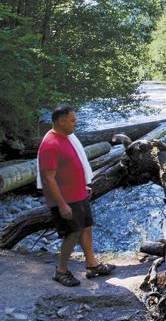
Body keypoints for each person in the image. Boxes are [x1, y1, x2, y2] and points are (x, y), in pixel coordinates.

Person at [37, 106, 115, 287]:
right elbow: (48, 178)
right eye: (72, 120)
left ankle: (92, 265)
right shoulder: (50, 144)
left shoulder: (67, 137)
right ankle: (61, 271)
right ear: (61, 121)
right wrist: (62, 204)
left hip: (78, 193)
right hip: (66, 199)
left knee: (86, 227)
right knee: (73, 233)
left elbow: (72, 165)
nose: (76, 123)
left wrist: (84, 185)